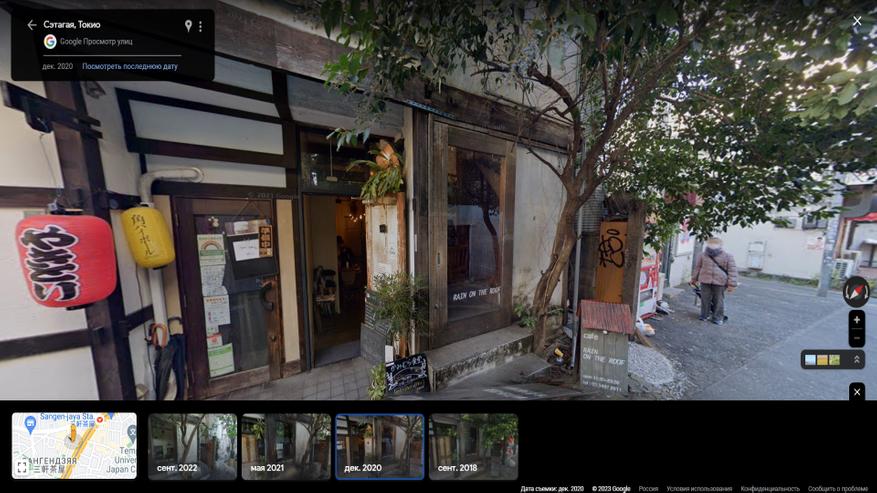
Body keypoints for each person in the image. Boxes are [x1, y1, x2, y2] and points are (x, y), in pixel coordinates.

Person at [690, 237, 738, 326]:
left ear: (720, 245)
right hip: (705, 280)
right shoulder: (702, 255)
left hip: (720, 282)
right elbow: (698, 267)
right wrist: (694, 279)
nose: (712, 245)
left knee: (718, 300)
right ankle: (704, 315)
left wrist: (732, 284)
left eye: (715, 243)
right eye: (711, 243)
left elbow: (732, 271)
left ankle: (718, 318)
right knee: (705, 299)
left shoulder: (727, 256)